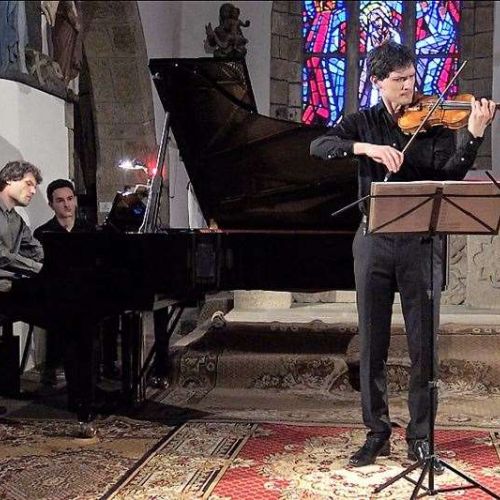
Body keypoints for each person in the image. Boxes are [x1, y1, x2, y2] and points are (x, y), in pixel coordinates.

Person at [310, 41, 496, 468]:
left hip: (420, 243)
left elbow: (450, 176)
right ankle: (377, 433)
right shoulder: (362, 122)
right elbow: (319, 145)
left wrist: (473, 134)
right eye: (399, 80)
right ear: (378, 82)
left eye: (412, 77)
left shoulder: (434, 124)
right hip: (372, 240)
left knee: (423, 347)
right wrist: (366, 148)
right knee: (371, 343)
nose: (410, 87)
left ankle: (421, 437)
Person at [34, 179, 94, 389]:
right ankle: (56, 368)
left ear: (76, 200)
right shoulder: (42, 233)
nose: (67, 205)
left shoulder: (89, 230)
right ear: (51, 205)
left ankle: (92, 371)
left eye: (70, 199)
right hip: (56, 294)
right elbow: (42, 271)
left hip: (84, 292)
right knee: (64, 313)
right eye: (60, 201)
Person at [0, 160, 44, 416]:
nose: (33, 190)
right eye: (29, 184)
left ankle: (9, 385)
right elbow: (2, 256)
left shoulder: (15, 219)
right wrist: (38, 268)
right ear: (9, 180)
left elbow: (35, 249)